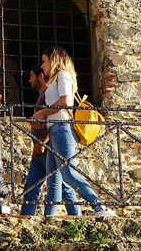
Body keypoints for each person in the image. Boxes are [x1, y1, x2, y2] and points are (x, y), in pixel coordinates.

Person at [30, 46, 114, 217]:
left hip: (62, 131)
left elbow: (66, 102)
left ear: (55, 60)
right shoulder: (54, 79)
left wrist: (42, 112)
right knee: (54, 180)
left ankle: (100, 207)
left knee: (69, 175)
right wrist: (43, 121)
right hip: (54, 131)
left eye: (45, 60)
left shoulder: (63, 76)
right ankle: (50, 217)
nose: (43, 65)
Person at [19, 64, 79, 216]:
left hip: (48, 148)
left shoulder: (49, 95)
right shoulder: (43, 96)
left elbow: (52, 121)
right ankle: (26, 219)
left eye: (32, 76)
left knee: (62, 186)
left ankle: (75, 218)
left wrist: (41, 142)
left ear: (40, 77)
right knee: (31, 188)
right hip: (40, 151)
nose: (29, 80)